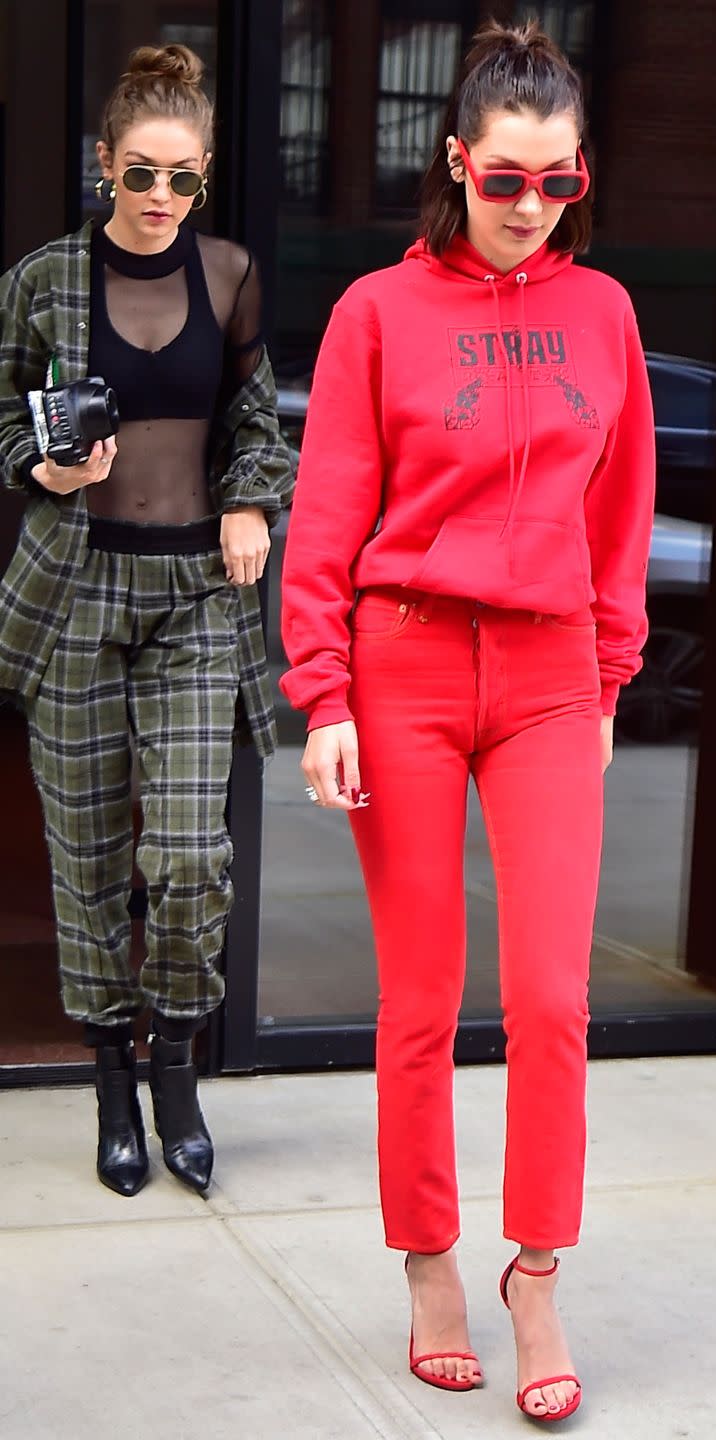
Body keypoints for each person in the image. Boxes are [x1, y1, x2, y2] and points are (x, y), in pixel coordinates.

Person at [280, 17, 654, 1424]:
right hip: (409, 666)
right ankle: (431, 1260)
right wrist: (324, 691)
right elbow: (329, 516)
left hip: (554, 672)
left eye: (560, 183)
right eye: (507, 179)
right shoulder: (380, 311)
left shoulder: (605, 313)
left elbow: (620, 518)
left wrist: (613, 671)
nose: (532, 207)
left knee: (554, 998)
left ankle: (536, 1269)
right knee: (421, 999)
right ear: (456, 162)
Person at [0, 44, 293, 1198]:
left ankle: (175, 1061)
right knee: (84, 860)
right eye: (138, 175)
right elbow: (0, 416)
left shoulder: (229, 274)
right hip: (76, 592)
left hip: (190, 602)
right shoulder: (42, 281)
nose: (159, 198)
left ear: (204, 173)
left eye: (181, 178)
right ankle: (112, 1079)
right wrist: (47, 470)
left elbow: (258, 420)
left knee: (186, 857)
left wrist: (249, 499)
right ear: (104, 166)